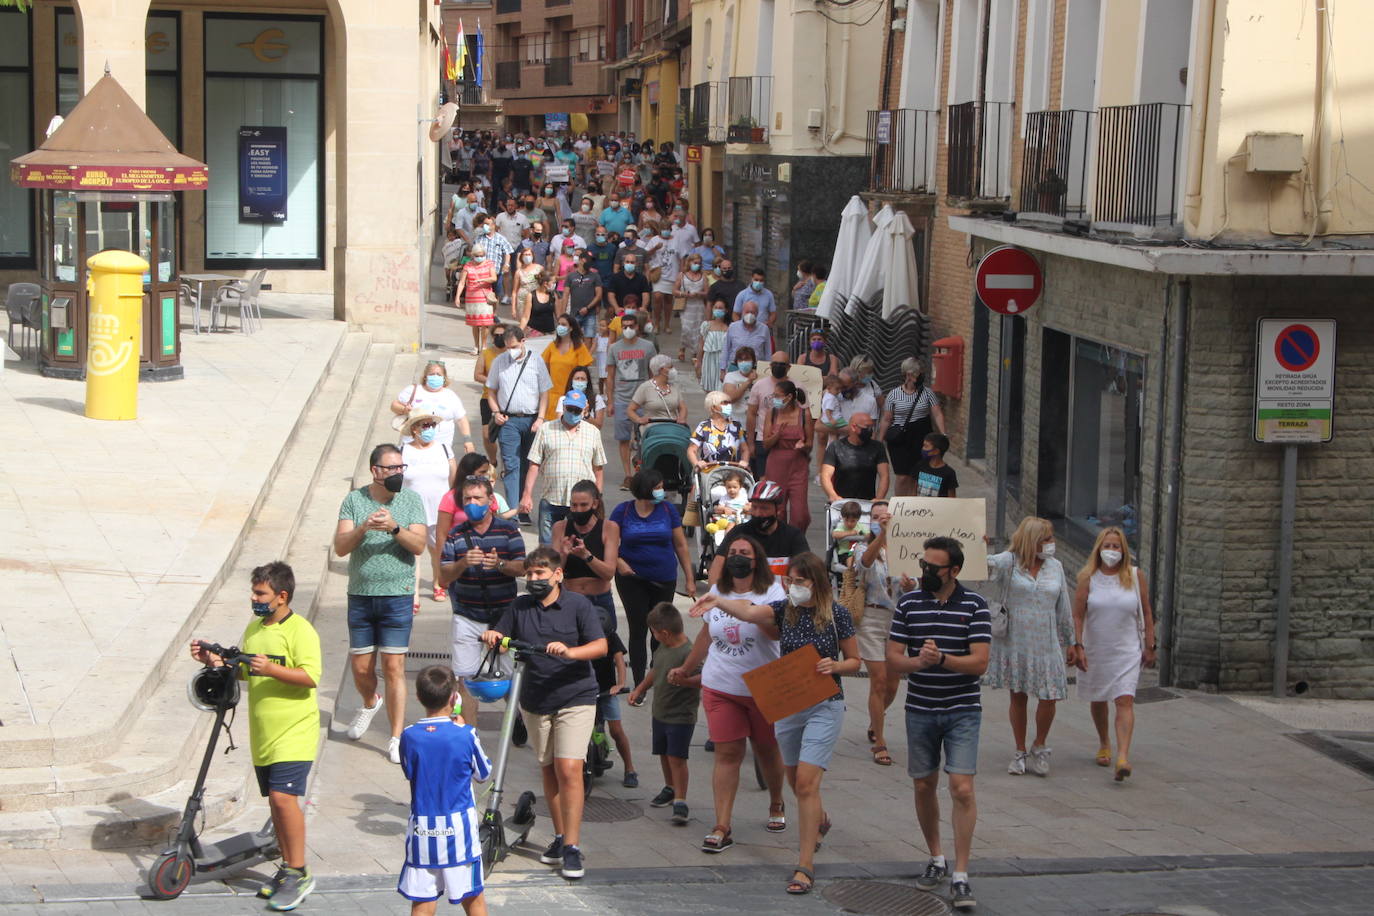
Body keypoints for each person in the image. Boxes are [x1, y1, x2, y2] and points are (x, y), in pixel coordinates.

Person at [688, 552, 859, 896]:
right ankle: (819, 822)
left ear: (817, 582)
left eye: (800, 581)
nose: (793, 587)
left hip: (825, 705)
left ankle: (805, 864)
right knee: (796, 781)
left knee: (807, 784)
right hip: (789, 704)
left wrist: (836, 667)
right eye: (790, 581)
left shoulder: (837, 615)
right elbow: (750, 612)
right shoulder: (785, 611)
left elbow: (855, 660)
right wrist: (718, 599)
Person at [189, 562, 321, 912]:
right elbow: (245, 672)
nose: (254, 598)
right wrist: (215, 661)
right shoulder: (254, 629)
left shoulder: (301, 631)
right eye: (253, 592)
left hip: (295, 733)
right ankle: (287, 867)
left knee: (282, 799)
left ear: (282, 596)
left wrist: (274, 669)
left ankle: (299, 871)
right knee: (276, 805)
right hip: (264, 735)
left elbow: (310, 676)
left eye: (260, 593)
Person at [481, 547, 607, 881]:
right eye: (530, 574)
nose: (534, 579)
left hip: (575, 695)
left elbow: (600, 646)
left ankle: (573, 848)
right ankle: (561, 836)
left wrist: (570, 651)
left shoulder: (578, 605)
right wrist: (494, 636)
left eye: (541, 573)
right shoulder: (520, 606)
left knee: (569, 769)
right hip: (535, 699)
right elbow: (501, 635)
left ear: (558, 574)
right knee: (549, 768)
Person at [886, 536, 992, 913]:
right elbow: (894, 658)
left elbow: (980, 662)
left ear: (954, 571)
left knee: (962, 788)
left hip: (963, 708)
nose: (926, 572)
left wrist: (943, 658)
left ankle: (961, 873)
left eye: (934, 567)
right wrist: (919, 663)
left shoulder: (975, 605)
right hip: (921, 707)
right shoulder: (909, 603)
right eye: (924, 564)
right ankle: (936, 856)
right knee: (923, 783)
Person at [668, 534, 787, 852]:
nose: (737, 556)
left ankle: (777, 802)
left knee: (767, 749)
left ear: (756, 559)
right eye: (732, 551)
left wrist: (747, 611)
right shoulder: (718, 589)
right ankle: (722, 825)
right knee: (727, 754)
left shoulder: (773, 591)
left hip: (762, 685)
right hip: (721, 686)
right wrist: (688, 667)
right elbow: (707, 633)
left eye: (744, 552)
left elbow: (776, 631)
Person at [335, 445, 428, 764]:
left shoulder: (411, 501)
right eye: (391, 469)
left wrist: (394, 528)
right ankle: (369, 700)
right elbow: (340, 547)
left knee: (393, 667)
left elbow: (419, 546)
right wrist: (363, 527)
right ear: (375, 471)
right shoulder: (354, 500)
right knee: (361, 668)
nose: (398, 474)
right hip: (361, 594)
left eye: (401, 468)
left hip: (397, 594)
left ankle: (396, 736)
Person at [395, 666, 492, 916]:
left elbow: (409, 771)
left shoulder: (408, 736)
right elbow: (483, 774)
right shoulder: (466, 735)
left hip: (422, 831)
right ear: (454, 698)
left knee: (422, 903)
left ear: (419, 697)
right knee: (473, 900)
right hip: (459, 832)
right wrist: (462, 726)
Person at [984, 517, 1076, 777]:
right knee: (1019, 694)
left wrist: (1072, 641)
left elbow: (1064, 604)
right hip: (1016, 639)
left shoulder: (1055, 566)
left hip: (1046, 641)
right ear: (1031, 540)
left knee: (1050, 695)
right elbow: (981, 569)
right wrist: (978, 547)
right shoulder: (1008, 561)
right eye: (1046, 539)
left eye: (1051, 538)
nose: (1051, 543)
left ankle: (1040, 744)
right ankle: (1020, 748)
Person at [439, 476, 527, 726]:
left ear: (490, 501)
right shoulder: (455, 535)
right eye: (467, 498)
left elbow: (523, 567)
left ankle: (515, 718)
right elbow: (443, 575)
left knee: (507, 676)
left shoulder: (508, 530)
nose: (471, 503)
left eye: (477, 498)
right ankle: (471, 736)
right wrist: (463, 563)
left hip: (504, 618)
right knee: (466, 679)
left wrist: (499, 564)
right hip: (467, 616)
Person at [1072, 527, 1155, 781]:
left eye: (1116, 547)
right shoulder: (1088, 577)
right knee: (1099, 698)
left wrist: (1150, 644)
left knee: (1124, 700)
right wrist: (1078, 645)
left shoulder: (1134, 575)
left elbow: (1147, 611)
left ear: (1124, 551)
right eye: (1107, 546)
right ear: (1098, 549)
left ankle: (1123, 757)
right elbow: (1077, 614)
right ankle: (1104, 741)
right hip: (1097, 647)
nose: (1111, 551)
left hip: (1126, 650)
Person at [610, 469, 697, 684]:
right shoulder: (623, 511)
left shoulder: (668, 510)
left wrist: (689, 578)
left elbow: (680, 545)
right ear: (646, 489)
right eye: (658, 487)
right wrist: (619, 562)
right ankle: (639, 680)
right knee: (638, 629)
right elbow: (609, 544)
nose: (662, 491)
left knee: (661, 629)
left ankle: (656, 675)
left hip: (663, 578)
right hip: (632, 580)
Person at [627, 603, 701, 825]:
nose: (654, 636)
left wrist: (685, 680)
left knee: (677, 757)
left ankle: (681, 799)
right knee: (663, 752)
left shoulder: (689, 652)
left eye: (655, 632)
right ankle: (670, 787)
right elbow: (656, 669)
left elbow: (703, 679)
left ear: (665, 633)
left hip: (680, 715)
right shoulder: (663, 648)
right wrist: (640, 688)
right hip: (660, 711)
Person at [521, 389, 606, 546]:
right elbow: (534, 464)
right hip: (551, 500)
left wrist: (598, 498)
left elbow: (598, 469)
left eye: (577, 410)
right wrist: (527, 495)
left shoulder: (593, 432)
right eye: (570, 409)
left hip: (583, 504)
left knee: (580, 547)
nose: (573, 413)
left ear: (584, 410)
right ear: (564, 407)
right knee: (547, 548)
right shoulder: (546, 429)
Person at [486, 326, 553, 520]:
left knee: (529, 464)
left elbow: (544, 393)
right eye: (507, 347)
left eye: (514, 346)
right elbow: (491, 391)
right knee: (511, 465)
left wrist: (540, 418)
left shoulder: (536, 361)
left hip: (532, 420)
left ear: (523, 342)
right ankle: (513, 513)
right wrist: (496, 412)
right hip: (508, 421)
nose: (510, 351)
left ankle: (524, 506)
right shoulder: (500, 362)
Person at [852, 501, 900, 766]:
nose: (880, 519)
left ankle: (875, 718)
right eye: (875, 516)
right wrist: (882, 535)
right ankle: (880, 742)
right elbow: (865, 564)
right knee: (879, 680)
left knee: (893, 683)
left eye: (885, 516)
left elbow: (916, 580)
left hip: (898, 619)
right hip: (871, 616)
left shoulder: (905, 549)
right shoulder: (862, 546)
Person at [401, 409, 460, 605]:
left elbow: (454, 477)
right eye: (425, 425)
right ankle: (414, 595)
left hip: (439, 511)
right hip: (412, 511)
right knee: (414, 553)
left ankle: (438, 584)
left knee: (438, 551)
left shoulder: (444, 448)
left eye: (432, 425)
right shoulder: (403, 450)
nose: (430, 429)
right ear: (414, 429)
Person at [553, 480, 621, 637]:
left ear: (595, 504)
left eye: (583, 505)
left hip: (599, 600)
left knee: (603, 653)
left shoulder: (609, 528)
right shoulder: (560, 527)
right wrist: (563, 554)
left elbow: (609, 573)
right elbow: (553, 573)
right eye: (574, 505)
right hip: (569, 598)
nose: (578, 510)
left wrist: (587, 556)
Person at [708, 479, 811, 583]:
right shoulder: (738, 533)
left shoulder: (793, 536)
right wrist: (715, 594)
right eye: (755, 507)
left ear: (778, 509)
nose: (757, 513)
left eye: (764, 508)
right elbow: (717, 567)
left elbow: (806, 571)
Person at [879, 358, 948, 496]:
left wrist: (943, 434)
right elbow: (887, 418)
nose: (920, 375)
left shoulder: (927, 393)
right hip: (900, 438)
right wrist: (879, 440)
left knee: (918, 474)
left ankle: (914, 504)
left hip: (921, 436)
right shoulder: (894, 394)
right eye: (917, 373)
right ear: (909, 374)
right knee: (902, 475)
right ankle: (899, 504)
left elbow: (937, 413)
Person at [589, 611, 638, 788]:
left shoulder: (611, 637)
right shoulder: (582, 635)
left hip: (607, 691)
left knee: (616, 731)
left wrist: (620, 684)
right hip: (585, 691)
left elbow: (619, 661)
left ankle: (630, 769)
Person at [762, 379, 814, 532]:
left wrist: (803, 446)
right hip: (776, 464)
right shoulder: (772, 413)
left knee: (800, 514)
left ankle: (796, 540)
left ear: (789, 397)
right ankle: (778, 541)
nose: (775, 399)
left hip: (798, 465)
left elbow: (810, 444)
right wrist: (777, 435)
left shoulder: (804, 414)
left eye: (777, 396)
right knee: (778, 510)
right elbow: (766, 444)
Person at [391, 361, 474, 455]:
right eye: (432, 374)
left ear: (444, 378)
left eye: (438, 374)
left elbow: (461, 419)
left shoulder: (450, 396)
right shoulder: (413, 390)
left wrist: (468, 440)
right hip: (412, 446)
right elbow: (394, 405)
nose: (435, 377)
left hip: (441, 447)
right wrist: (405, 410)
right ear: (426, 376)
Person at [820, 412, 890, 502]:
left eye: (871, 427)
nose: (870, 430)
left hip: (868, 501)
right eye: (867, 427)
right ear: (853, 427)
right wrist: (832, 495)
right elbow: (825, 475)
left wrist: (879, 498)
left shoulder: (878, 447)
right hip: (841, 500)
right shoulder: (835, 447)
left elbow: (884, 475)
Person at [744, 350, 791, 480]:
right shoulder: (759, 385)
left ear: (788, 367)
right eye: (775, 363)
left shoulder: (797, 387)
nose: (778, 367)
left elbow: (805, 416)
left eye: (782, 364)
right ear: (770, 365)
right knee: (762, 480)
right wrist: (751, 443)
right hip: (762, 439)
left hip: (787, 441)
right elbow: (752, 414)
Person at [540, 314, 593, 421]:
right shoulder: (552, 346)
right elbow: (544, 370)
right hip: (552, 396)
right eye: (559, 324)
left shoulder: (579, 347)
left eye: (564, 324)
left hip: (571, 397)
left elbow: (583, 374)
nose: (560, 327)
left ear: (571, 327)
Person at [688, 390, 750, 473]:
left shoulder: (736, 426)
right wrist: (697, 463)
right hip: (709, 473)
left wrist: (744, 462)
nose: (729, 405)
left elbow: (745, 449)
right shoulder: (704, 427)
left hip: (732, 473)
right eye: (725, 403)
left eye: (729, 403)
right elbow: (691, 450)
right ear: (713, 407)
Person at [627, 354, 689, 435]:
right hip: (652, 430)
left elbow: (682, 407)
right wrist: (639, 420)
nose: (673, 370)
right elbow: (630, 410)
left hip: (673, 428)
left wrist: (681, 418)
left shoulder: (674, 387)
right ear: (662, 369)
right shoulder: (645, 387)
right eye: (670, 367)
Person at [454, 244, 498, 354]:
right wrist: (457, 297)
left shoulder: (489, 263)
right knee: (475, 324)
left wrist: (482, 280)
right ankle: (475, 346)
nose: (480, 257)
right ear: (473, 255)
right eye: (478, 255)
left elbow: (494, 278)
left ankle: (483, 346)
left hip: (485, 296)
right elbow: (462, 283)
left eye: (482, 255)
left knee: (485, 323)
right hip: (472, 297)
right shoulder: (468, 265)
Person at [721, 301, 773, 388]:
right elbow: (726, 349)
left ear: (757, 313)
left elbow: (768, 352)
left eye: (752, 312)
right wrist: (722, 370)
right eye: (747, 312)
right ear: (742, 312)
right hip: (735, 367)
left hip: (756, 369)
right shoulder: (733, 327)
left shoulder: (764, 329)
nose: (749, 314)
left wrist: (768, 371)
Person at [674, 254, 709, 363]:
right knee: (686, 328)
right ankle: (682, 347)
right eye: (694, 262)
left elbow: (707, 292)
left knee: (697, 330)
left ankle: (695, 353)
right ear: (689, 262)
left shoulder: (703, 276)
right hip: (686, 306)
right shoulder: (682, 275)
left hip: (699, 307)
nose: (696, 265)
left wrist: (699, 294)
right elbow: (674, 290)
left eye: (698, 263)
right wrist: (684, 294)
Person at [648, 229, 681, 337]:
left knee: (668, 299)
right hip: (659, 274)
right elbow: (646, 253)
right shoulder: (654, 240)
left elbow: (681, 255)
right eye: (663, 228)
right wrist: (655, 248)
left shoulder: (676, 240)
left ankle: (667, 324)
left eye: (667, 228)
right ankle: (656, 323)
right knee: (657, 297)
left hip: (672, 273)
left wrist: (681, 272)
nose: (665, 230)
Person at [564, 254, 603, 339]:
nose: (590, 262)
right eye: (587, 260)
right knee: (573, 337)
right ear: (581, 260)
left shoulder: (595, 276)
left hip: (590, 313)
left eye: (591, 260)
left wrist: (588, 308)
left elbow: (599, 295)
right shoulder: (571, 276)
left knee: (589, 337)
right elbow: (565, 295)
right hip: (574, 313)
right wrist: (563, 313)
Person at [695, 299, 729, 391]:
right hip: (708, 359)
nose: (718, 310)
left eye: (721, 308)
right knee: (708, 389)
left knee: (720, 389)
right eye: (716, 307)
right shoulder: (707, 325)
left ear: (726, 310)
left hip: (721, 362)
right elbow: (701, 344)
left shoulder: (728, 329)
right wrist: (699, 362)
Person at [914, 433, 959, 497]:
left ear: (936, 451)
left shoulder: (949, 473)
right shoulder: (920, 466)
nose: (923, 449)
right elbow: (914, 489)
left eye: (926, 446)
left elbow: (951, 497)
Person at [720, 345, 757, 414]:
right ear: (736, 362)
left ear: (753, 361)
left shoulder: (760, 378)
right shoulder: (730, 376)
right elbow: (730, 399)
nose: (743, 362)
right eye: (740, 360)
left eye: (747, 359)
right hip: (736, 417)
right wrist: (749, 381)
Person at [831, 500, 865, 565]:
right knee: (851, 556)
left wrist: (863, 535)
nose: (849, 523)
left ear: (858, 519)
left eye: (852, 521)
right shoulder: (841, 527)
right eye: (846, 520)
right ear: (842, 518)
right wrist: (849, 533)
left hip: (859, 552)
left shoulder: (860, 527)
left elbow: (868, 535)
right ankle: (850, 570)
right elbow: (834, 534)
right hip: (845, 552)